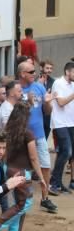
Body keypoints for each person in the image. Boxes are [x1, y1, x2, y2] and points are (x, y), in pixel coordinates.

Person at [0, 102, 44, 231]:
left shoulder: (6, 131)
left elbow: (3, 153)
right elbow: (33, 157)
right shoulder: (27, 133)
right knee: (24, 204)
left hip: (9, 168)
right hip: (22, 172)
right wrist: (41, 177)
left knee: (20, 202)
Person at [17, 60, 56, 213]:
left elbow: (47, 111)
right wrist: (28, 103)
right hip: (21, 136)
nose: (35, 74)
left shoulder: (39, 87)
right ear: (22, 74)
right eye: (31, 72)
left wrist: (47, 103)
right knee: (21, 168)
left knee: (45, 166)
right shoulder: (16, 89)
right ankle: (20, 199)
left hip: (39, 135)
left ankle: (45, 198)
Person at [50, 62, 74, 194]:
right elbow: (61, 103)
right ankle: (54, 182)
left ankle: (58, 182)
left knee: (66, 153)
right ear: (67, 72)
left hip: (71, 123)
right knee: (66, 152)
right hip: (60, 123)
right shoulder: (58, 83)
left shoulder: (72, 84)